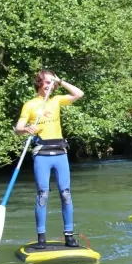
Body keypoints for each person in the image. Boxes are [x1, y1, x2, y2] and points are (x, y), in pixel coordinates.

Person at [15, 70, 84, 248]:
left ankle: (69, 236)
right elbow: (18, 128)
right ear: (39, 83)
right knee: (43, 194)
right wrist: (26, 129)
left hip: (60, 152)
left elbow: (79, 94)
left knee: (65, 193)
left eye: (51, 84)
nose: (49, 86)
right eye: (46, 82)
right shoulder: (30, 105)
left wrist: (60, 81)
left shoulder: (56, 100)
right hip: (41, 154)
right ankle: (41, 238)